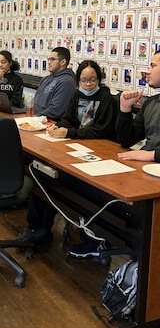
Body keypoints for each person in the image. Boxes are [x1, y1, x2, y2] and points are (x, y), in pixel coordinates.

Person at [18, 61, 118, 250]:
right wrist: (60, 126)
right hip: (75, 148)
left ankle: (91, 239)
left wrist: (70, 133)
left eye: (93, 80)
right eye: (84, 80)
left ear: (99, 79)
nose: (88, 84)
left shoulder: (107, 99)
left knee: (75, 188)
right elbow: (68, 118)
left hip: (97, 152)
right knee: (44, 177)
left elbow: (101, 131)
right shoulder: (76, 94)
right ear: (78, 80)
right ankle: (37, 228)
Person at [32, 47, 76, 121]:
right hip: (35, 119)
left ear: (63, 62)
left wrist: (34, 118)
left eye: (52, 59)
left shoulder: (67, 81)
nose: (49, 62)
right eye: (49, 59)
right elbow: (34, 102)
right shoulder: (45, 79)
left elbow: (56, 110)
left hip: (50, 123)